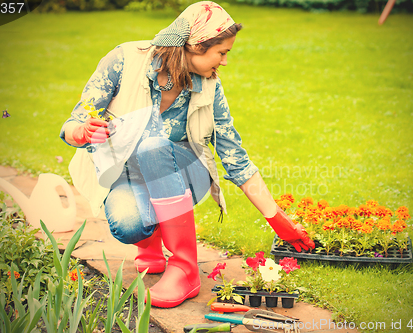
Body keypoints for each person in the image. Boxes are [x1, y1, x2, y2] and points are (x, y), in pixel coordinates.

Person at [60, 1, 315, 308]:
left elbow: (236, 158)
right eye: (221, 53)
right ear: (194, 46)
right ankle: (149, 244)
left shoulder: (209, 87)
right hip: (128, 172)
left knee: (152, 147)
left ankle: (185, 268)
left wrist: (278, 220)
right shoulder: (124, 60)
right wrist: (83, 131)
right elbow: (75, 121)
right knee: (128, 224)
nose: (223, 62)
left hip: (185, 172)